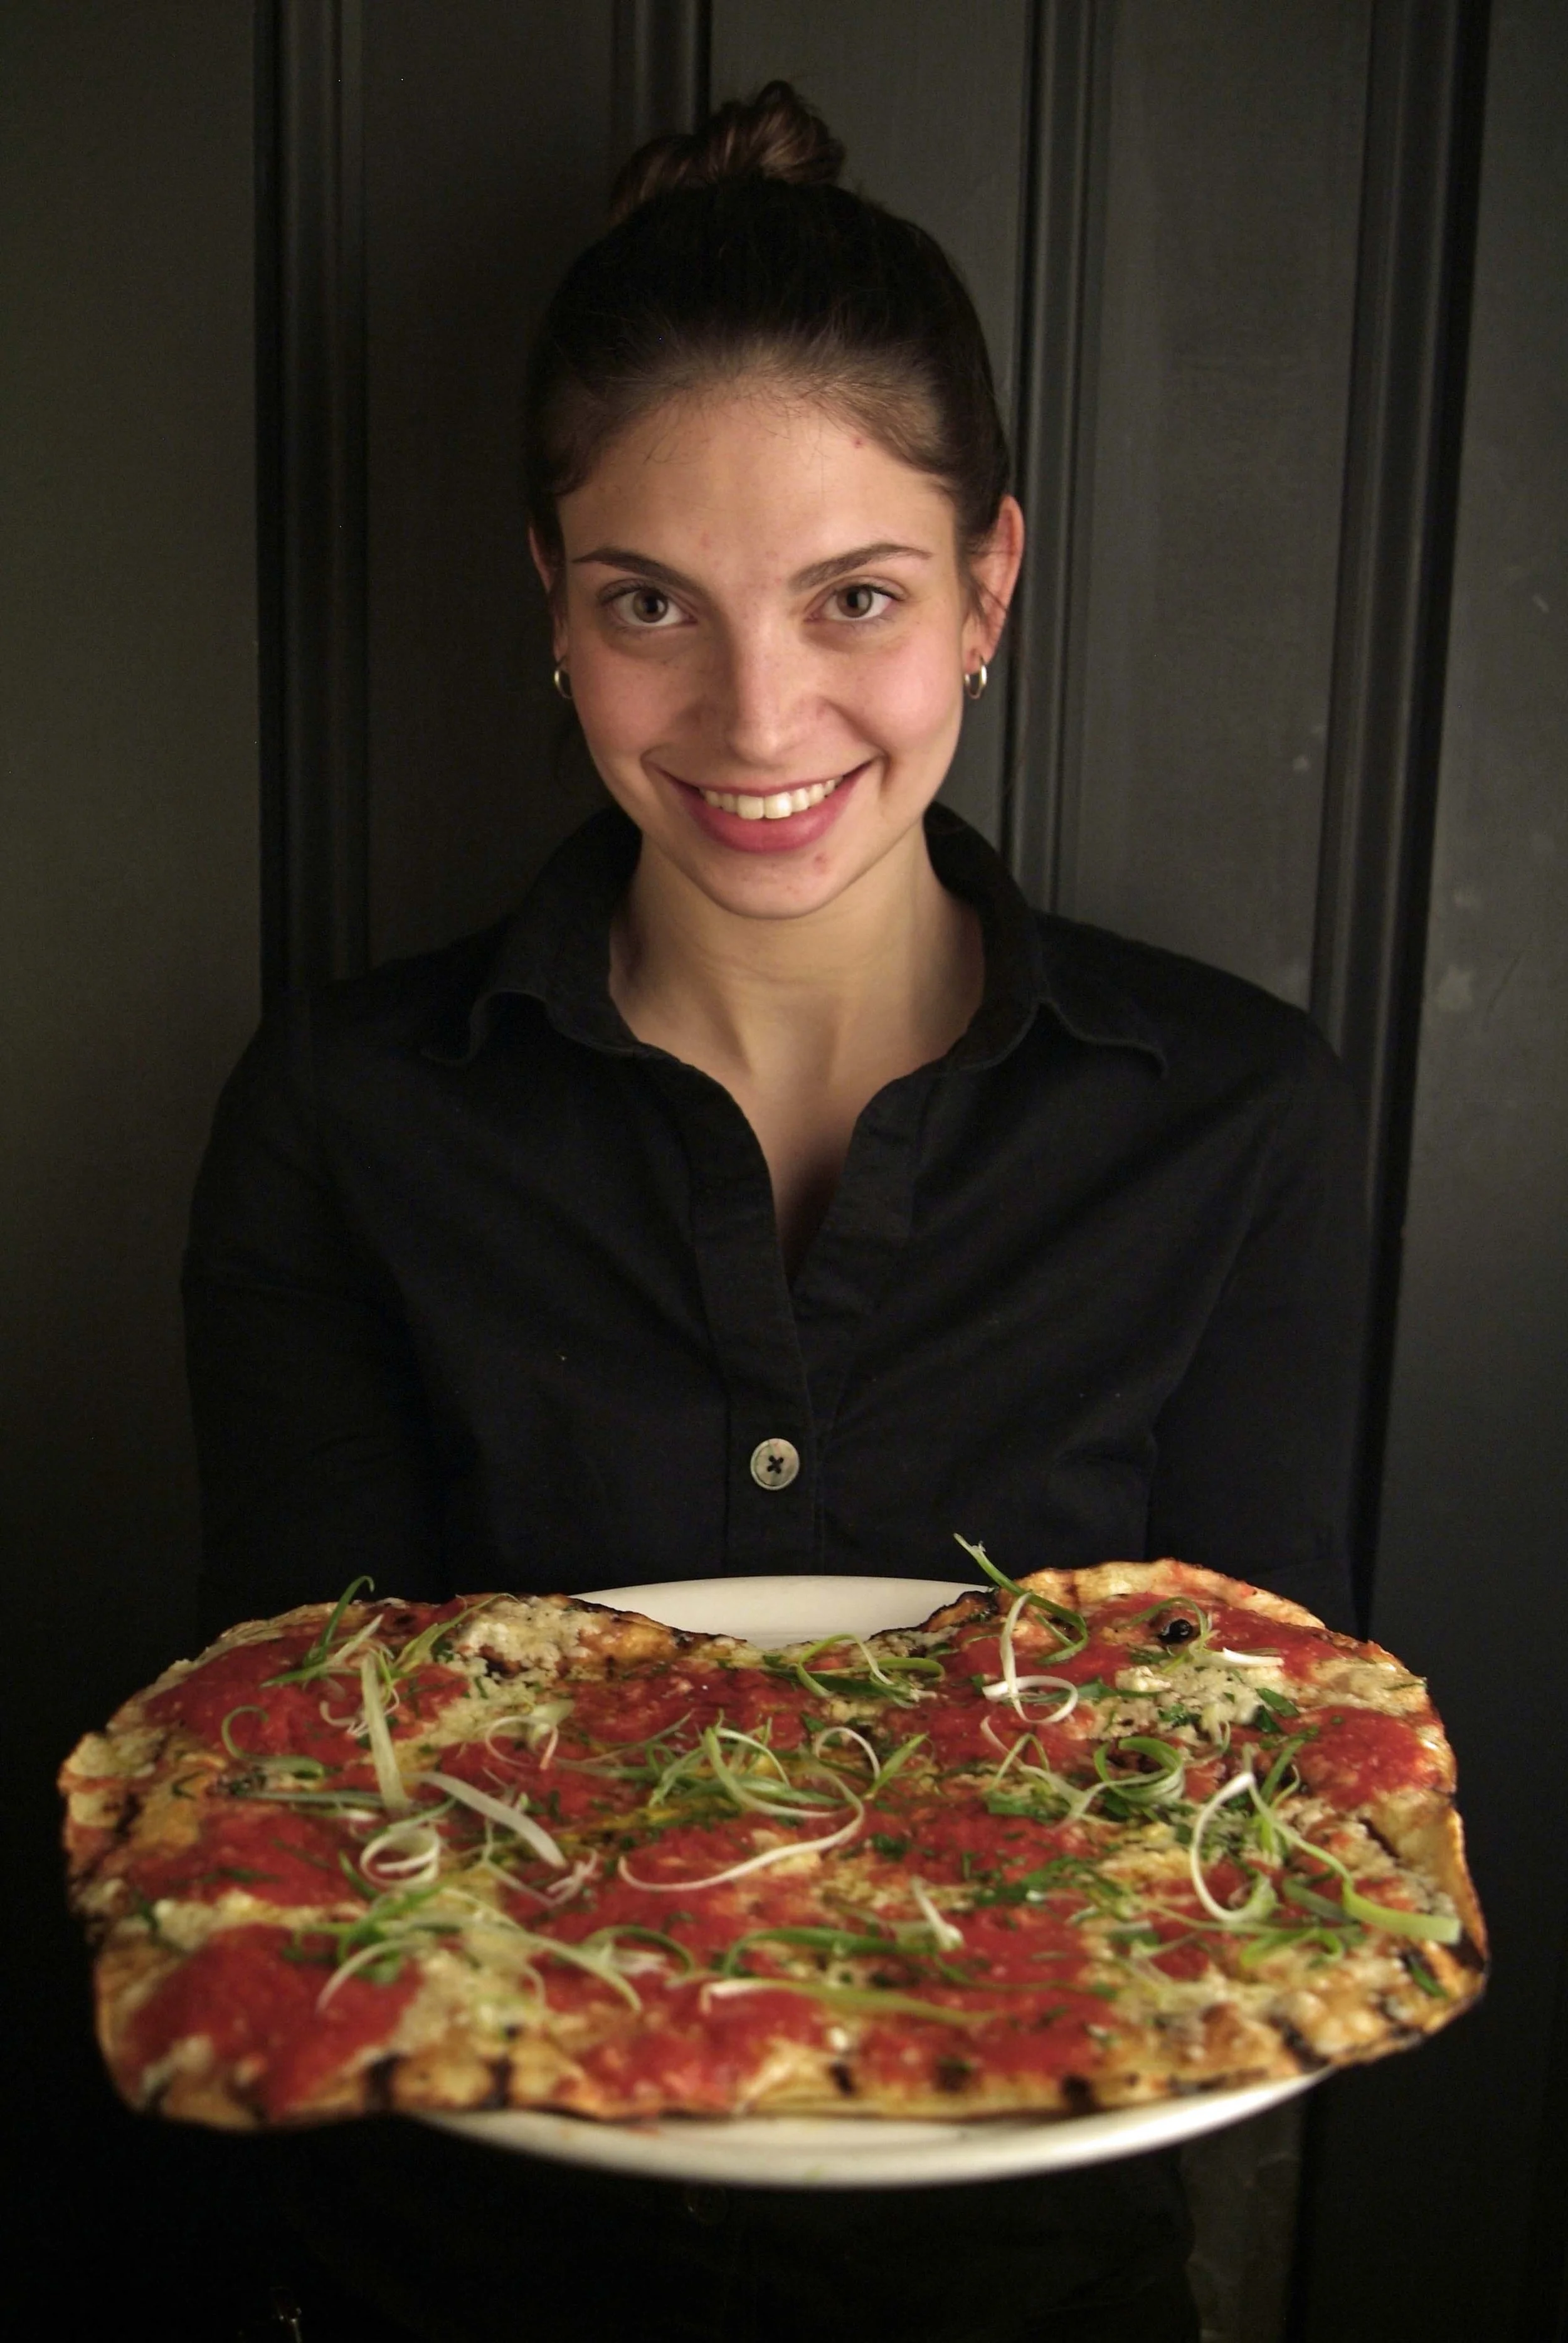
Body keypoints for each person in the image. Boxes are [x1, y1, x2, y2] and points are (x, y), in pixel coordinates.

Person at [186, 83, 1368, 2343]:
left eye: (855, 597)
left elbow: (1252, 1791)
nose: (756, 717)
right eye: (651, 602)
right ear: (549, 597)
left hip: (1021, 2287)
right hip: (451, 2279)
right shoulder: (344, 1116)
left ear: (989, 586)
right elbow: (287, 1779)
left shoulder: (1234, 1124)